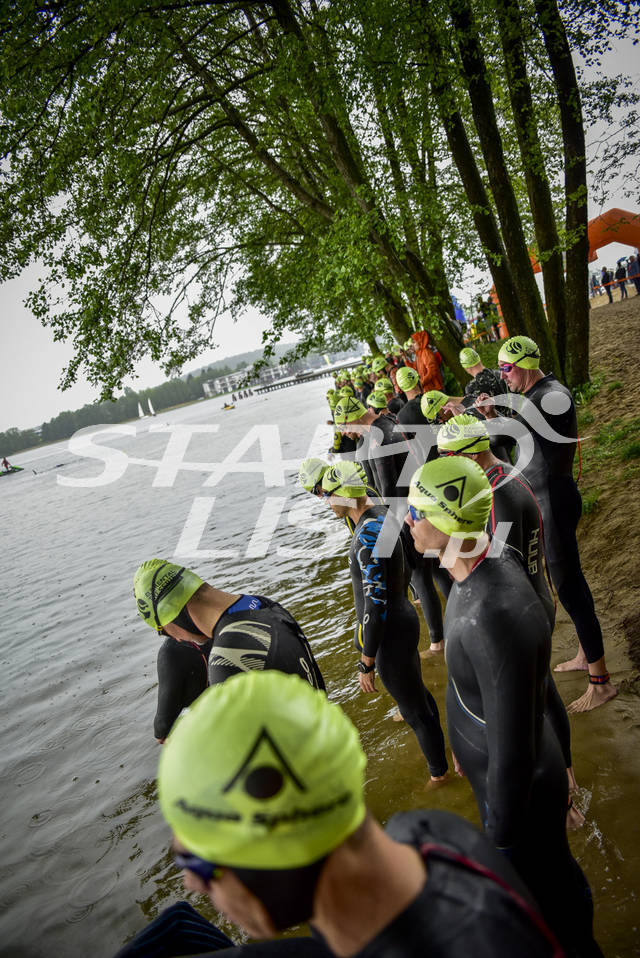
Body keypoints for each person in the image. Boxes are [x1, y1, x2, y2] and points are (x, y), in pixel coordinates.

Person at [157, 670, 564, 957]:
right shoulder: (422, 831)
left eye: (197, 862)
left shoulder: (476, 943)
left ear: (276, 851)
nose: (192, 884)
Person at [406, 457, 602, 958]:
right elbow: (506, 692)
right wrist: (460, 742)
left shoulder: (491, 614)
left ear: (447, 521)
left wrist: (497, 845)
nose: (407, 520)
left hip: (521, 790)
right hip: (514, 773)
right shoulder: (483, 566)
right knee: (553, 886)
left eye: (416, 511)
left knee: (547, 909)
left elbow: (513, 756)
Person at [437, 414, 583, 827]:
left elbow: (500, 569)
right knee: (542, 691)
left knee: (537, 699)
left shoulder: (497, 495)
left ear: (468, 455)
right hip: (536, 595)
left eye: (446, 456)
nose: (444, 464)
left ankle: (563, 789)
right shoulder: (502, 474)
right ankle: (566, 777)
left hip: (527, 603)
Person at [489, 336, 617, 712]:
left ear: (526, 365)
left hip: (554, 503)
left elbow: (501, 435)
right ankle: (585, 654)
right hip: (549, 500)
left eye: (506, 368)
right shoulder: (538, 395)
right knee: (568, 582)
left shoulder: (549, 397)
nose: (503, 375)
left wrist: (479, 420)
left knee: (569, 587)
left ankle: (601, 683)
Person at [320, 461, 448, 780]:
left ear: (346, 495)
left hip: (390, 633)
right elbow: (405, 568)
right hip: (403, 620)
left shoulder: (366, 535)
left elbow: (375, 606)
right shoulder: (381, 515)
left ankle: (439, 774)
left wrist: (366, 661)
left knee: (414, 711)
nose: (327, 501)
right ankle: (444, 758)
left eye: (330, 494)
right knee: (418, 698)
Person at [133, 560, 325, 701]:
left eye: (163, 631)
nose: (177, 639)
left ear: (172, 614)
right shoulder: (263, 605)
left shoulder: (227, 658)